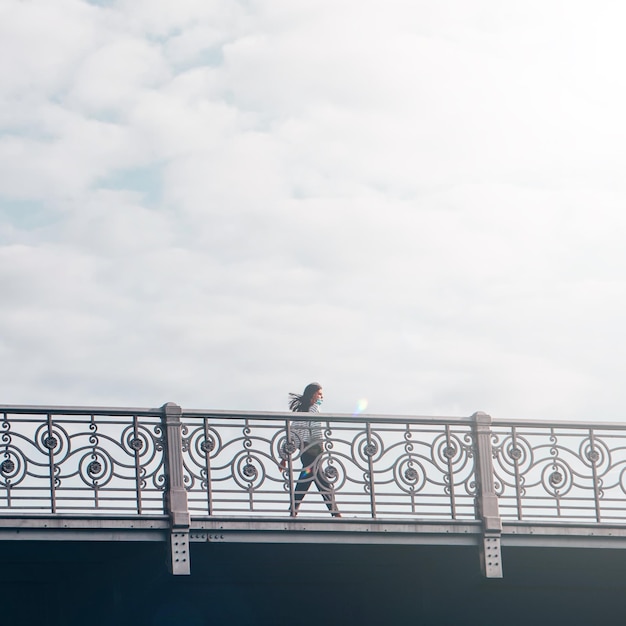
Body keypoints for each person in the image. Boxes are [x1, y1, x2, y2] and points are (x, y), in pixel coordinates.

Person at [285, 382, 341, 518]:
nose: (322, 397)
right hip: (313, 450)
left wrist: (284, 456)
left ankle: (294, 508)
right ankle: (335, 513)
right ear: (313, 395)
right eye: (320, 394)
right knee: (318, 481)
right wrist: (321, 445)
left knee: (312, 479)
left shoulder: (301, 412)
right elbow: (316, 430)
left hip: (305, 451)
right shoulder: (314, 409)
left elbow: (293, 435)